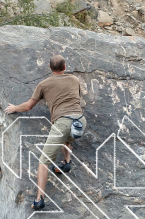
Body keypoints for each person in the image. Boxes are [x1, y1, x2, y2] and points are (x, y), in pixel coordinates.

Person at [5, 54, 86, 210]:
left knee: (43, 162)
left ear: (50, 68)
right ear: (64, 67)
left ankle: (39, 199)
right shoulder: (74, 80)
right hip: (80, 121)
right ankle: (66, 162)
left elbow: (28, 106)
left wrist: (14, 108)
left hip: (62, 123)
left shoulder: (43, 84)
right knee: (66, 136)